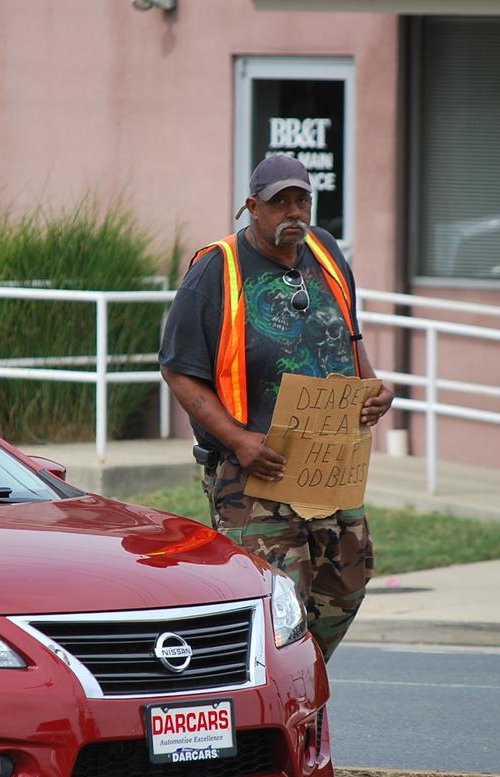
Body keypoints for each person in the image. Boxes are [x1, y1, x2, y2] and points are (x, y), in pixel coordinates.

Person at [159, 154, 394, 661]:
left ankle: (304, 684)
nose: (293, 211)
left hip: (329, 463)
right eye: (279, 202)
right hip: (254, 472)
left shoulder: (326, 252)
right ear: (253, 208)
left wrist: (373, 385)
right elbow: (179, 369)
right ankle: (276, 709)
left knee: (347, 581)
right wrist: (239, 441)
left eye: (301, 199)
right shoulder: (215, 270)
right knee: (274, 606)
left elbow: (348, 335)